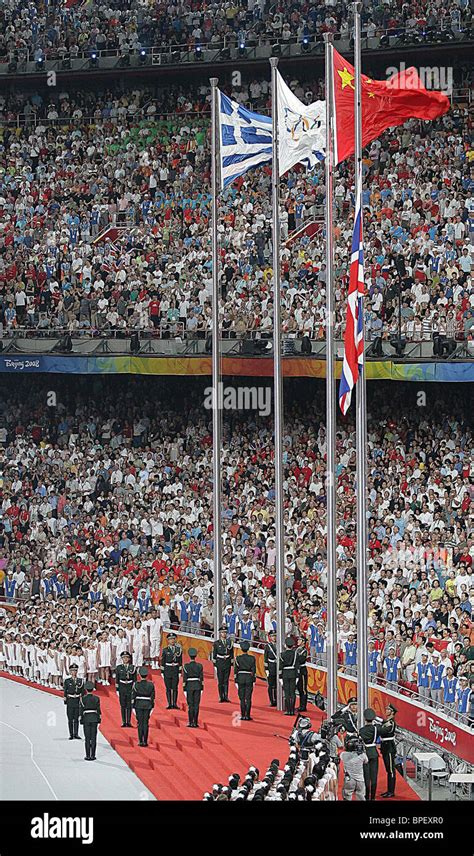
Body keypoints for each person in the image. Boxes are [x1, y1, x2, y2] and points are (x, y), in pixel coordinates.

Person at [132, 666, 155, 747]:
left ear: (139, 675)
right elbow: (153, 697)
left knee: (140, 723)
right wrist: (152, 706)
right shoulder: (151, 685)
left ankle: (140, 741)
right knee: (145, 723)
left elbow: (133, 696)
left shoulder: (136, 684)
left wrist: (133, 706)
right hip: (148, 704)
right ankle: (145, 741)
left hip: (138, 704)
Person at [359, 707, 379, 801]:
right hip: (374, 753)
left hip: (365, 753)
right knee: (374, 776)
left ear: (364, 718)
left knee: (366, 776)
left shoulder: (362, 730)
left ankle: (367, 796)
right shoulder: (376, 729)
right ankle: (373, 797)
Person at [341, 734, 368, 801]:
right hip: (360, 779)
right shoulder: (362, 755)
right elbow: (366, 761)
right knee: (361, 796)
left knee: (347, 796)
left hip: (349, 780)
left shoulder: (343, 754)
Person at [234, 640, 256, 721]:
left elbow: (236, 671)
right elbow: (254, 670)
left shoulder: (238, 658)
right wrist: (254, 680)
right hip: (249, 678)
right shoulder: (252, 658)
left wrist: (236, 680)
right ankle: (248, 715)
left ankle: (243, 715)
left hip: (240, 678)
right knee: (248, 698)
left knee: (242, 698)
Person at [379, 703, 397, 798]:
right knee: (388, 769)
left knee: (390, 770)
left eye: (388, 710)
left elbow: (383, 731)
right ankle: (389, 790)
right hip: (386, 746)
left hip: (389, 747)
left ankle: (391, 791)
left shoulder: (391, 723)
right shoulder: (387, 721)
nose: (386, 711)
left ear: (392, 712)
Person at [80, 681, 101, 761]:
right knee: (94, 737)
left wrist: (81, 719)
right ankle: (93, 755)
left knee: (87, 738)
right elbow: (98, 710)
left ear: (85, 689)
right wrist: (99, 719)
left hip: (86, 718)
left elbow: (81, 710)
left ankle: (87, 755)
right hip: (94, 718)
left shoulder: (83, 699)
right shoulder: (96, 698)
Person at [183, 647, 204, 728]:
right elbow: (201, 678)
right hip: (197, 686)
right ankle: (195, 722)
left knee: (190, 705)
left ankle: (190, 721)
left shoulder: (186, 666)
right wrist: (202, 687)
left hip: (189, 686)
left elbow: (185, 678)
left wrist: (184, 688)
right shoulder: (199, 666)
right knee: (196, 705)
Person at [63, 663, 85, 740]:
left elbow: (83, 692)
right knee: (70, 719)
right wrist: (65, 700)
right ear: (70, 671)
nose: (74, 672)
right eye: (72, 670)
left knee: (76, 718)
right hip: (70, 701)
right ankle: (71, 734)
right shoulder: (67, 681)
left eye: (75, 670)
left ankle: (76, 734)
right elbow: (65, 691)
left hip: (77, 700)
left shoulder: (80, 681)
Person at [160, 632, 182, 709]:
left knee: (175, 688)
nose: (172, 641)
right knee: (168, 688)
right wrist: (162, 672)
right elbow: (163, 661)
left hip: (175, 670)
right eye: (170, 639)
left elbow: (180, 661)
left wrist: (179, 672)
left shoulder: (178, 649)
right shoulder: (165, 650)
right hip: (167, 670)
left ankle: (175, 703)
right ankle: (169, 703)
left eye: (173, 639)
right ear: (168, 641)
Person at [212, 626, 233, 703]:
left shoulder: (229, 642)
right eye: (222, 632)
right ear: (220, 633)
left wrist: (231, 662)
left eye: (225, 632)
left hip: (227, 662)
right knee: (220, 681)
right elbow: (214, 655)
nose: (224, 634)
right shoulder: (217, 643)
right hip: (220, 662)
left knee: (226, 680)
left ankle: (226, 696)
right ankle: (221, 696)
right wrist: (215, 665)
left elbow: (231, 653)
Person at [115, 651, 137, 727]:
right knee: (123, 705)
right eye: (124, 658)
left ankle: (129, 721)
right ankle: (124, 722)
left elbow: (135, 680)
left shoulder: (132, 667)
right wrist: (117, 689)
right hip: (122, 687)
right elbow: (117, 679)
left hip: (130, 687)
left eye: (127, 657)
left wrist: (134, 690)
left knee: (129, 705)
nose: (125, 659)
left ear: (129, 658)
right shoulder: (119, 668)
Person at [279, 637, 299, 716]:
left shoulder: (282, 655)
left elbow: (280, 667)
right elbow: (297, 666)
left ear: (285, 645)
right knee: (293, 692)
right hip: (293, 673)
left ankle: (288, 710)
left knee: (287, 692)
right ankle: (292, 710)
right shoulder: (295, 654)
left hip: (285, 673)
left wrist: (280, 677)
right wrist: (297, 676)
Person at [263, 629, 277, 707]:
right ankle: (272, 700)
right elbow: (265, 659)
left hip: (277, 666)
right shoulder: (268, 646)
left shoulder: (279, 645)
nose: (274, 638)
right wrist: (267, 669)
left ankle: (277, 699)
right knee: (271, 685)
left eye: (274, 636)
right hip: (271, 666)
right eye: (272, 636)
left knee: (277, 685)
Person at [296, 637, 308, 712]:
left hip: (302, 670)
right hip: (297, 670)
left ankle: (303, 706)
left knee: (303, 689)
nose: (298, 641)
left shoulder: (304, 650)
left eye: (299, 640)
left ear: (303, 642)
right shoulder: (297, 649)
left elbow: (301, 660)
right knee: (299, 688)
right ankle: (300, 705)